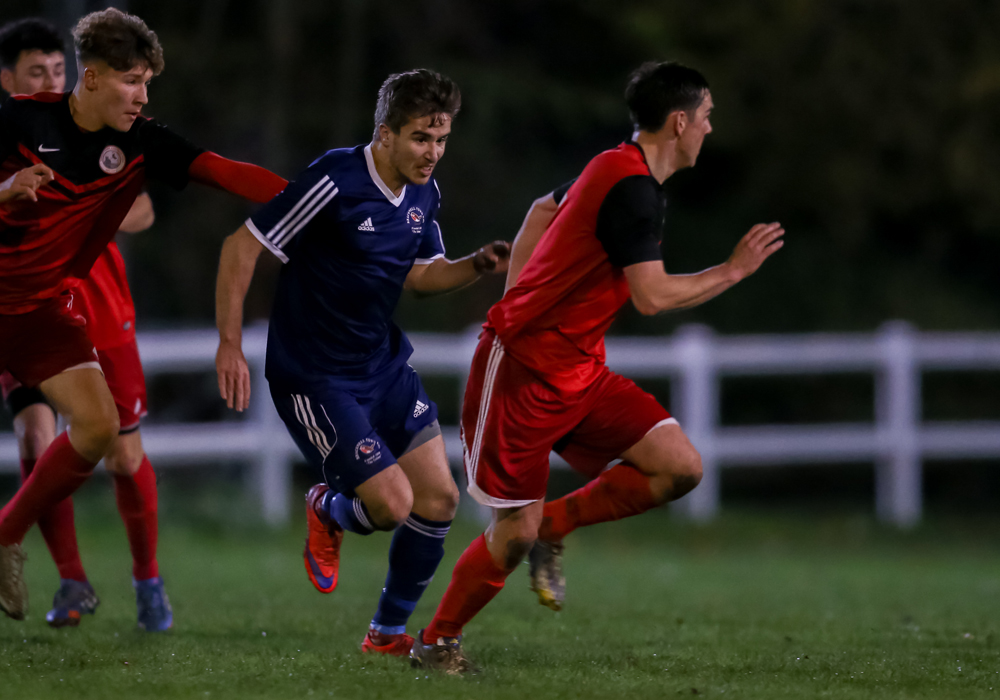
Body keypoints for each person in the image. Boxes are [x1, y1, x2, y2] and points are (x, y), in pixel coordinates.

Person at [410, 61, 785, 674]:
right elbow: (652, 296)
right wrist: (733, 270)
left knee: (679, 468)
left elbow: (538, 210)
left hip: (579, 372)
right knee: (513, 534)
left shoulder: (615, 165)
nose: (710, 129)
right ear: (680, 121)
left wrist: (524, 288)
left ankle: (556, 524)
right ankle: (437, 641)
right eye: (708, 116)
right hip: (523, 373)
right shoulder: (632, 189)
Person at [0, 8, 287, 623]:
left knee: (101, 427)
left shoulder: (138, 143)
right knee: (42, 431)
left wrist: (315, 195)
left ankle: (5, 539)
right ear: (93, 77)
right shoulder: (20, 119)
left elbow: (222, 171)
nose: (142, 96)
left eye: (148, 82)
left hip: (38, 311)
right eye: (132, 81)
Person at [215, 69, 510, 657]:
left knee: (439, 501)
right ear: (384, 135)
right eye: (421, 139)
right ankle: (327, 505)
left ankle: (386, 635)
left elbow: (422, 277)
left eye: (441, 139)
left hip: (382, 364)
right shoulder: (335, 179)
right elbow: (242, 246)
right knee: (392, 505)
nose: (433, 153)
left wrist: (476, 265)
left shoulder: (425, 194)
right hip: (316, 374)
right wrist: (228, 343)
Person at [0, 15, 171, 631]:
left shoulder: (102, 139)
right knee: (33, 437)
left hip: (98, 304)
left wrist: (87, 203)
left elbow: (144, 207)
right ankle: (71, 580)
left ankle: (148, 581)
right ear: (10, 81)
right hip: (25, 307)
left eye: (55, 69)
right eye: (35, 73)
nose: (49, 79)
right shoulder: (15, 131)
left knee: (123, 453)